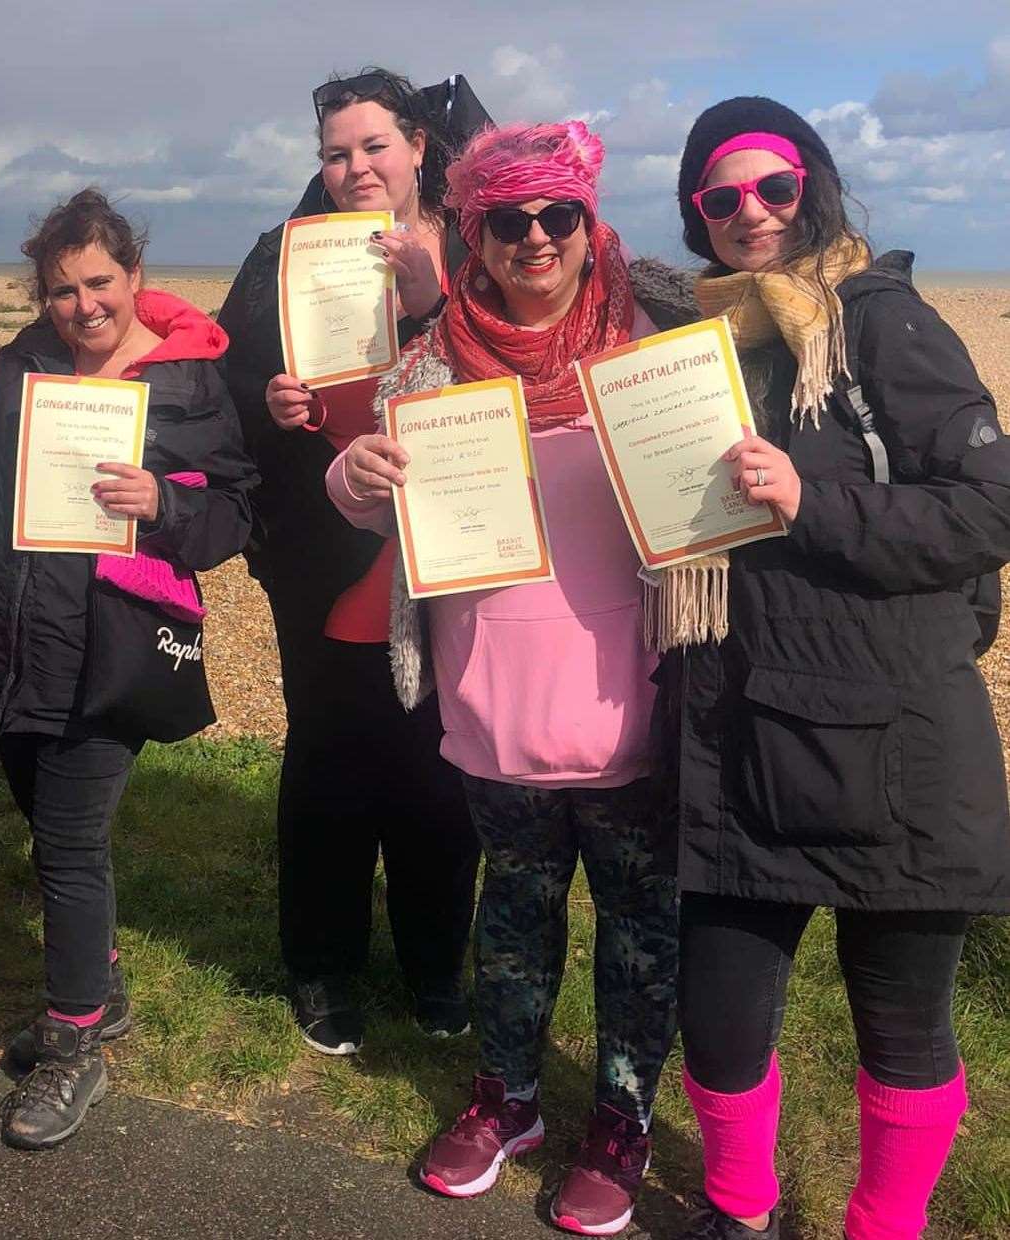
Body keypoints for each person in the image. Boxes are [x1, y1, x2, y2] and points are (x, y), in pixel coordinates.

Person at [328, 121, 693, 1234]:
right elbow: (363, 496)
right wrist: (354, 470)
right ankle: (509, 1098)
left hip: (633, 698)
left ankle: (623, 1118)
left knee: (640, 928)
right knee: (515, 914)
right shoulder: (430, 362)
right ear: (472, 239)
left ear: (590, 222)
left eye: (557, 215)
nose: (535, 238)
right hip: (495, 702)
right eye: (507, 221)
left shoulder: (652, 344)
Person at [666, 97, 1010, 1240]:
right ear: (697, 214)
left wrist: (813, 501)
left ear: (811, 185)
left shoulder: (881, 322)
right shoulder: (694, 347)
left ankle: (882, 1227)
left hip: (900, 738)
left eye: (773, 188)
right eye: (722, 197)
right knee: (715, 1016)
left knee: (903, 1025)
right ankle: (737, 1210)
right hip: (738, 725)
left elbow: (987, 508)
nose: (751, 214)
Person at [0, 188, 256, 1150]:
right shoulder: (22, 366)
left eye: (99, 282)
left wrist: (164, 499)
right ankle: (100, 990)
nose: (83, 305)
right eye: (60, 290)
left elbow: (234, 516)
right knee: (43, 828)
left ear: (133, 275)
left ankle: (76, 1043)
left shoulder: (189, 383)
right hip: (11, 639)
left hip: (109, 645)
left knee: (73, 846)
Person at [217, 67, 480, 1055]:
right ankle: (322, 962)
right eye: (336, 152)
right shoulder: (279, 255)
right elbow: (230, 386)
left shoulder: (474, 244)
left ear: (419, 145)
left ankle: (435, 964)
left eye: (374, 145)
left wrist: (434, 300)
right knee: (331, 754)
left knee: (440, 764)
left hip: (450, 544)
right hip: (327, 548)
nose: (356, 166)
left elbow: (520, 367)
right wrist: (272, 399)